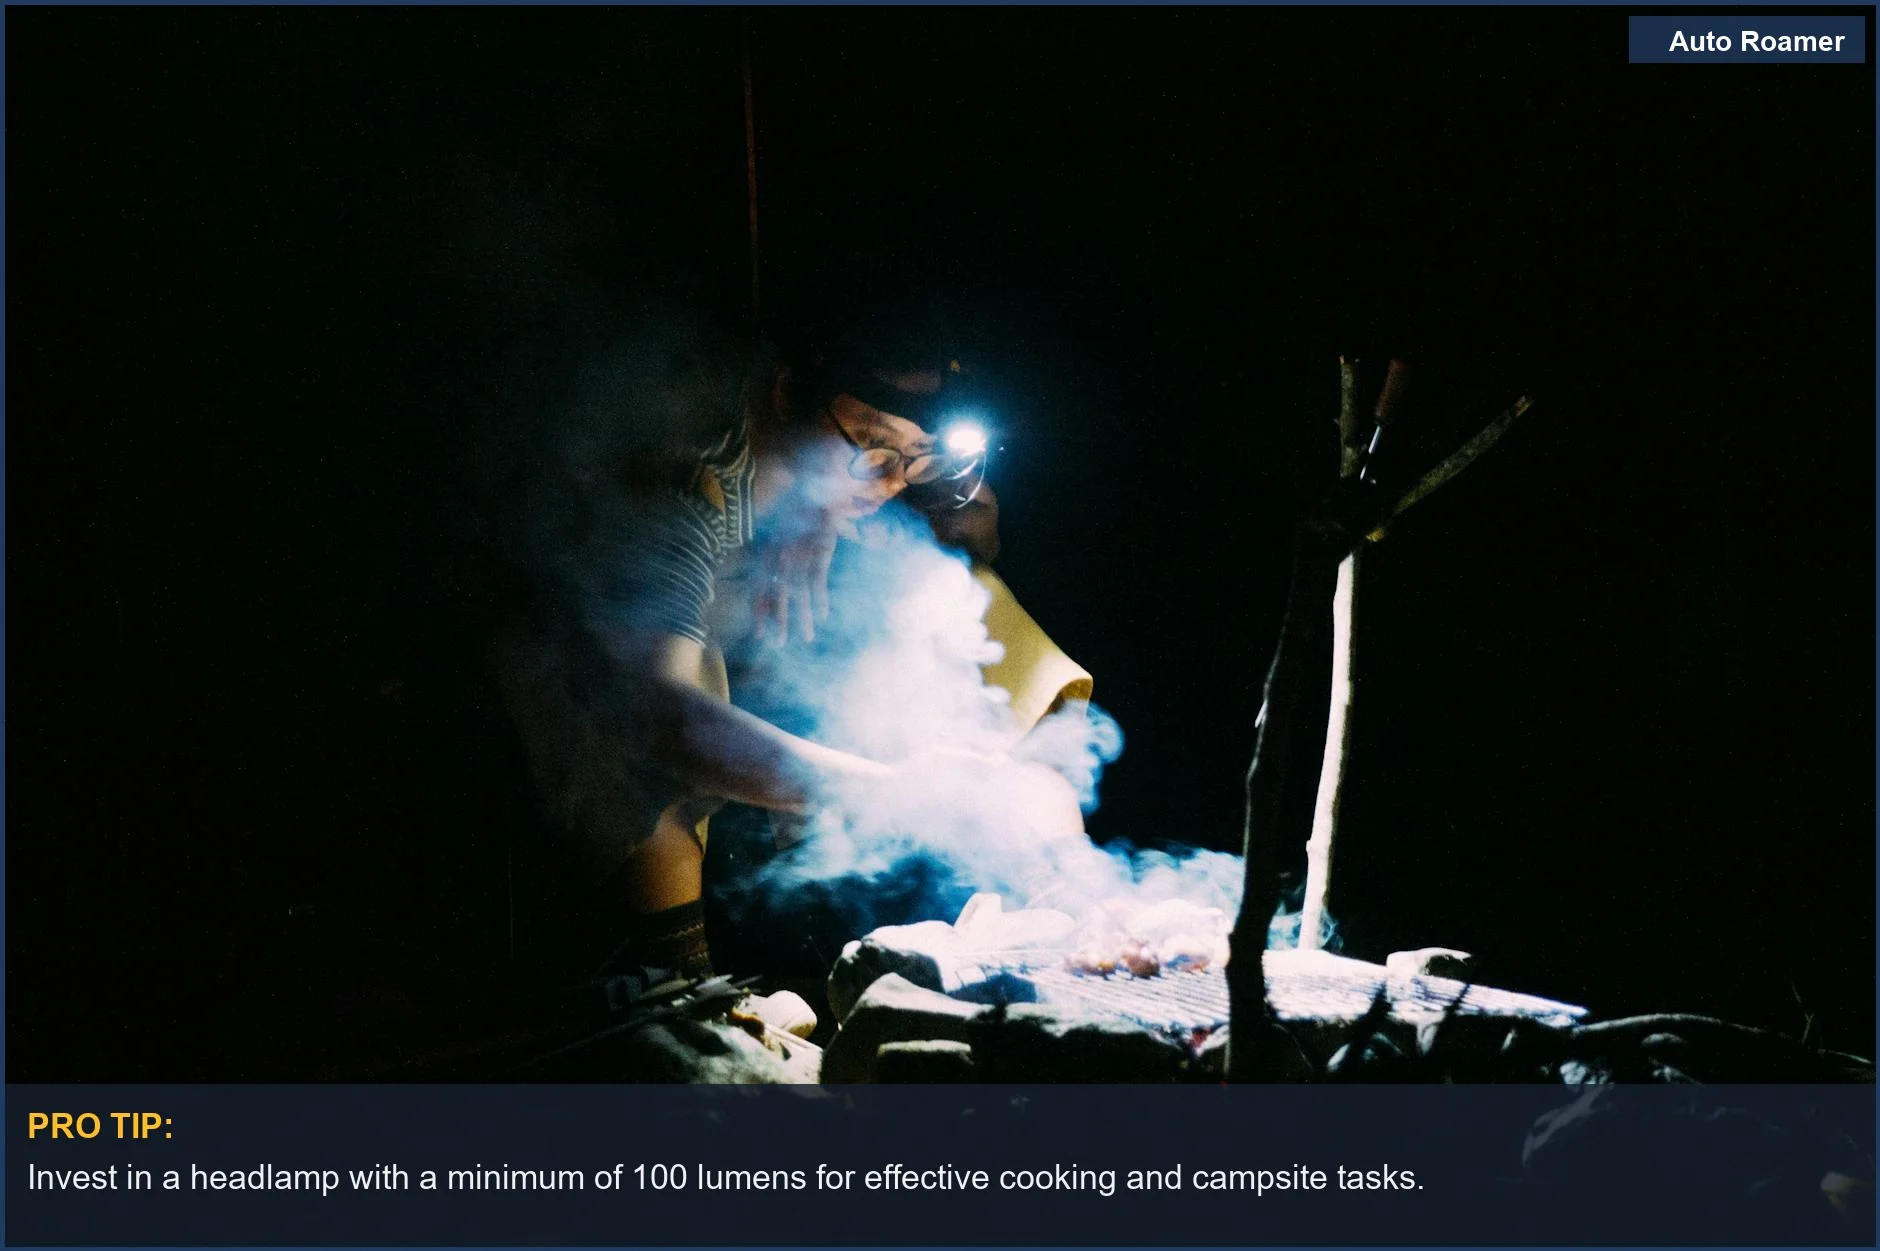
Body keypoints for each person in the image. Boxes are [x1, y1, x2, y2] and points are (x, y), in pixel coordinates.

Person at [494, 299, 1085, 986]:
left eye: (915, 459)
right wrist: (893, 788)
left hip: (750, 619)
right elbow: (663, 716)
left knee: (966, 594)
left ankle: (1070, 908)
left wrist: (911, 512)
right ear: (785, 392)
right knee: (620, 707)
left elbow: (952, 521)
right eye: (870, 445)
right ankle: (675, 991)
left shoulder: (847, 463)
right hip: (587, 646)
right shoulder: (685, 471)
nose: (890, 482)